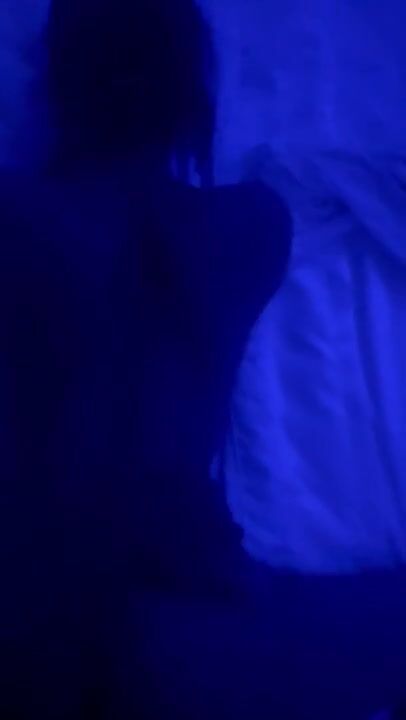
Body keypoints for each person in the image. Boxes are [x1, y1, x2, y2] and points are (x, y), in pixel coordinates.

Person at [0, 0, 405, 718]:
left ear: (55, 86)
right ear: (191, 90)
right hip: (194, 614)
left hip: (34, 614)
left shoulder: (17, 218)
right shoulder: (253, 226)